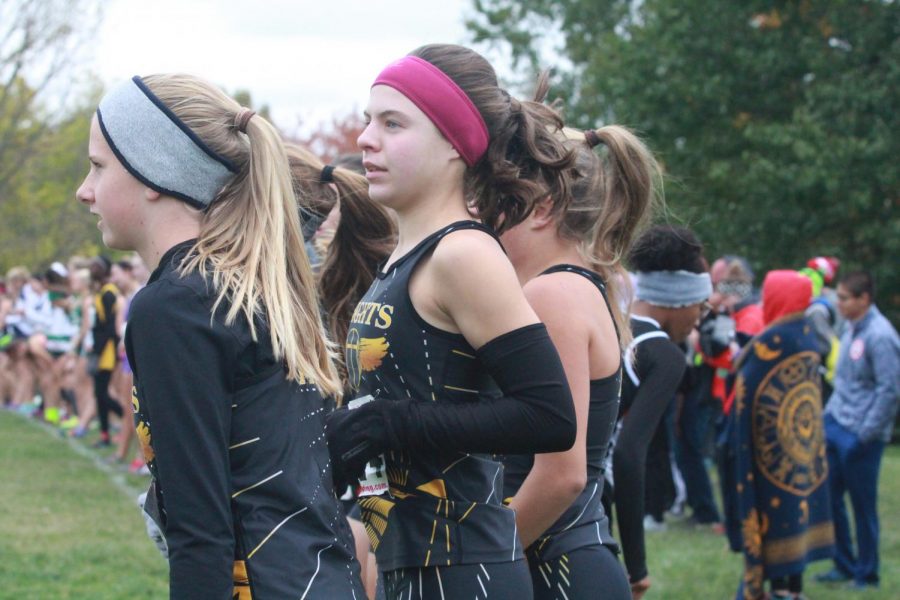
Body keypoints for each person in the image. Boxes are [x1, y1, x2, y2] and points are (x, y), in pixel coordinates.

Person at [76, 73, 364, 598]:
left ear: (153, 172)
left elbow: (202, 534)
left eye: (98, 166)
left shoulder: (175, 308)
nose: (84, 191)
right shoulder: (249, 286)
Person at [324, 44, 578, 599]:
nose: (366, 138)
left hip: (465, 572)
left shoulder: (463, 253)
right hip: (407, 569)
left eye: (393, 123)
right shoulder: (405, 254)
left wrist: (391, 423)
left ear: (454, 145)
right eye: (369, 120)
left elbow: (550, 416)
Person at [499, 123, 657, 600]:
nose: (479, 210)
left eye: (497, 197)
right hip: (556, 562)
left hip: (558, 571)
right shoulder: (570, 284)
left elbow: (561, 474)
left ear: (542, 208)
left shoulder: (554, 294)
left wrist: (479, 565)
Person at [613, 224, 713, 597]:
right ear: (680, 300)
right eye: (701, 306)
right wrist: (636, 566)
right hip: (579, 504)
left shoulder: (603, 318)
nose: (699, 319)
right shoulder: (663, 354)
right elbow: (627, 453)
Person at [731, 270, 834, 600]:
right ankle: (793, 589)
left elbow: (745, 400)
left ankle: (780, 591)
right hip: (799, 454)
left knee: (776, 522)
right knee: (794, 512)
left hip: (769, 460)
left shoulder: (769, 346)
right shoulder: (807, 338)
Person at [816, 270, 899, 589]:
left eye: (844, 298)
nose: (838, 303)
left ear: (864, 299)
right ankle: (843, 564)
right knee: (831, 499)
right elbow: (846, 381)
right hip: (837, 424)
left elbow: (889, 390)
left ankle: (868, 573)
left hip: (862, 435)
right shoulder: (849, 327)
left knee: (863, 507)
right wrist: (829, 418)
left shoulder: (881, 335)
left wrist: (864, 434)